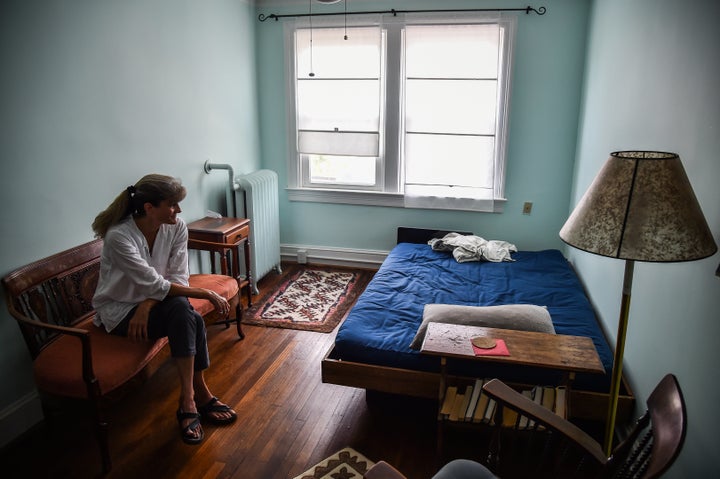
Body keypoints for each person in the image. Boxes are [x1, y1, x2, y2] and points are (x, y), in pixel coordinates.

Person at [91, 173, 236, 445]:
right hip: (120, 312)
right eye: (172, 204)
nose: (179, 210)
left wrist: (147, 304)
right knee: (189, 315)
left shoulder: (176, 226)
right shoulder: (119, 237)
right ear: (149, 207)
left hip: (154, 305)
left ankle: (189, 400)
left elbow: (177, 276)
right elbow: (153, 282)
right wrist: (204, 292)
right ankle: (197, 396)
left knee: (184, 312)